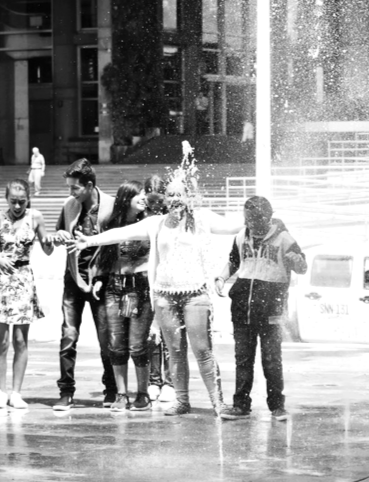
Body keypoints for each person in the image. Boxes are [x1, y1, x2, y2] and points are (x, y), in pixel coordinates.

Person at [70, 151, 241, 416]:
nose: (173, 199)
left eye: (178, 194)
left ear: (188, 196)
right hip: (164, 296)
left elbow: (234, 227)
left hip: (195, 295)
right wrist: (89, 241)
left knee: (203, 351)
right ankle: (182, 401)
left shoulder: (203, 219)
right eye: (169, 195)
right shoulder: (156, 223)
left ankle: (218, 403)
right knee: (175, 351)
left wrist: (260, 218)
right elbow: (119, 233)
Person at [216, 196, 307, 422]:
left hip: (272, 310)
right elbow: (234, 262)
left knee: (272, 359)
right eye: (248, 219)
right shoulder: (241, 237)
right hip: (242, 308)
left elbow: (302, 267)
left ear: (268, 216)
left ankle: (277, 406)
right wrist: (221, 277)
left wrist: (296, 261)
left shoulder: (284, 238)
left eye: (256, 219)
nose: (251, 223)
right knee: (243, 358)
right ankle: (240, 405)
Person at [49, 158, 117, 411]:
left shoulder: (110, 206)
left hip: (102, 281)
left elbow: (119, 244)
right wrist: (58, 236)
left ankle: (111, 389)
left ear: (89, 186)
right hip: (73, 279)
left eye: (74, 188)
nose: (71, 193)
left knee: (106, 339)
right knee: (68, 335)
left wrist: (103, 274)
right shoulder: (69, 205)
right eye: (69, 188)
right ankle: (66, 391)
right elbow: (57, 237)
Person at [0, 179, 54, 409]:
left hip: (23, 278)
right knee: (1, 341)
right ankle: (1, 391)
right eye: (13, 201)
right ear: (6, 199)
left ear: (28, 200)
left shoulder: (35, 217)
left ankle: (16, 392)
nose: (17, 206)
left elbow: (47, 248)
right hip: (1, 280)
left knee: (20, 340)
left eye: (21, 202)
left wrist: (48, 241)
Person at [90, 181, 153, 412]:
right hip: (115, 288)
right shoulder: (112, 224)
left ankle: (143, 394)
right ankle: (121, 394)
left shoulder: (149, 224)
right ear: (127, 198)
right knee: (116, 344)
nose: (144, 198)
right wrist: (98, 279)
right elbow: (104, 256)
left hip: (139, 288)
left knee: (137, 344)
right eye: (140, 195)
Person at [143, 175, 174, 403]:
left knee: (168, 334)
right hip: (145, 284)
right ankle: (154, 380)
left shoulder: (170, 218)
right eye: (151, 201)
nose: (155, 206)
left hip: (167, 283)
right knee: (152, 335)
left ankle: (170, 382)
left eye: (158, 200)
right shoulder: (141, 218)